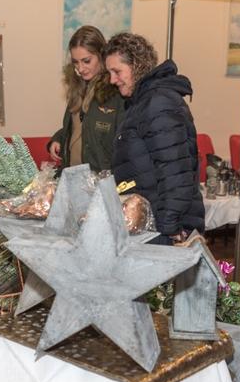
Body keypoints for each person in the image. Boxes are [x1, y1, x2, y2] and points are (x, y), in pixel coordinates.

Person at [103, 32, 204, 244]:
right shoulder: (143, 102)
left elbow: (175, 171)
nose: (112, 80)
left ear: (137, 66)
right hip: (149, 221)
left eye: (117, 71)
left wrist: (170, 227)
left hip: (162, 227)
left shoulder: (158, 103)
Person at [47, 26, 125, 171]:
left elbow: (122, 143)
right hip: (72, 177)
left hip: (101, 182)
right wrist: (58, 138)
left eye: (86, 61)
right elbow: (79, 128)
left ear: (102, 56)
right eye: (76, 62)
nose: (81, 68)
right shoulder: (78, 87)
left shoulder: (117, 91)